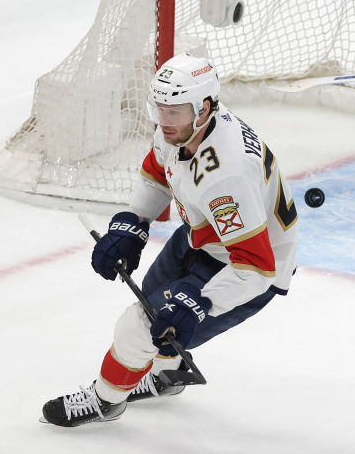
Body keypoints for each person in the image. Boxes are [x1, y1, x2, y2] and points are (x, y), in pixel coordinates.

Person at [41, 53, 299, 427]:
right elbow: (157, 173)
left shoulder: (227, 175)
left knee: (140, 326)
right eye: (159, 108)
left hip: (246, 267)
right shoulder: (183, 127)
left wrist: (202, 301)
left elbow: (257, 268)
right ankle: (167, 377)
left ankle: (105, 401)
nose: (163, 121)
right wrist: (132, 223)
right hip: (209, 235)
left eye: (174, 111)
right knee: (153, 296)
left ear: (205, 106)